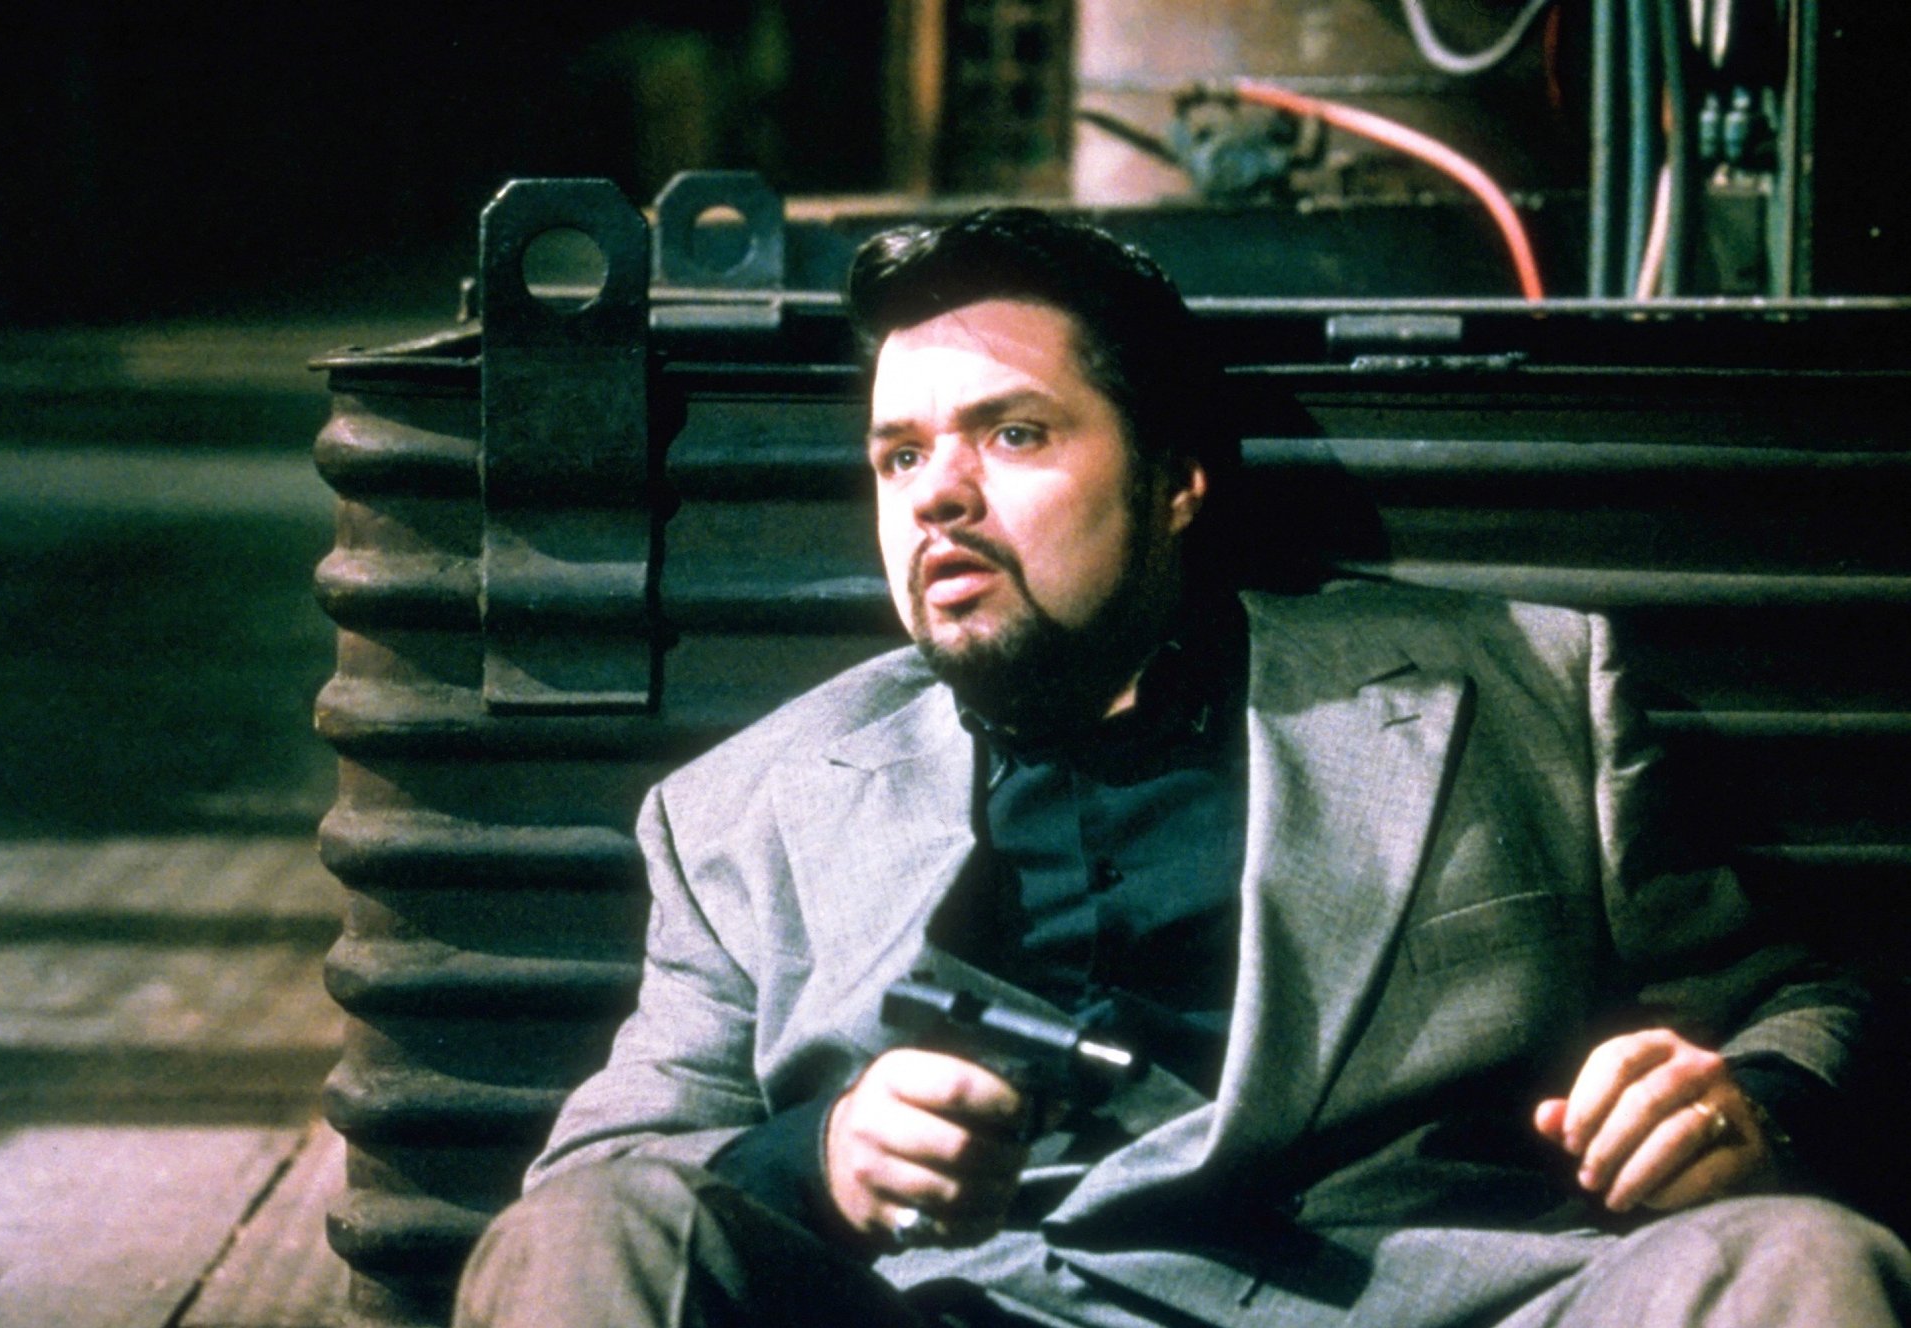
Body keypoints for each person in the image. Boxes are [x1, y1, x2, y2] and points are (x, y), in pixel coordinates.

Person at [454, 208, 1910, 1327]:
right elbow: (600, 1180)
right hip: (968, 1305)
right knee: (592, 1243)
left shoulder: (1523, 686)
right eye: (899, 457)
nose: (940, 493)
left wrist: (1746, 1107)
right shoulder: (748, 808)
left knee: (1797, 1262)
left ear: (1176, 480)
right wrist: (820, 1158)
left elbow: (1797, 1005)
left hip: (1431, 1301)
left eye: (1013, 434)